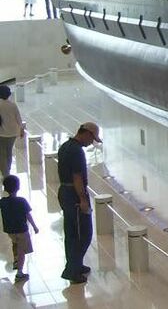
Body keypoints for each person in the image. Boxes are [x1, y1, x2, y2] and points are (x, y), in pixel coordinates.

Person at [57, 122, 102, 284]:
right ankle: (72, 270)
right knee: (82, 234)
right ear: (87, 133)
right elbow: (77, 177)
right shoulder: (76, 151)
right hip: (74, 195)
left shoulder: (65, 146)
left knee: (72, 232)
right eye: (92, 139)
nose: (91, 143)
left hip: (65, 192)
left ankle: (76, 264)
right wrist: (83, 200)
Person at [0, 175, 39, 282]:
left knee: (15, 244)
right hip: (22, 230)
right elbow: (28, 215)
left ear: (5, 188)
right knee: (22, 250)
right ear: (18, 187)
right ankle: (19, 273)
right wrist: (35, 227)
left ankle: (16, 261)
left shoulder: (2, 202)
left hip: (10, 230)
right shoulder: (22, 201)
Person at [0, 85, 24, 178]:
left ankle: (5, 174)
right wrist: (21, 130)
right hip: (12, 133)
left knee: (2, 154)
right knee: (9, 152)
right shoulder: (13, 105)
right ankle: (8, 170)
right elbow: (19, 119)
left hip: (1, 133)